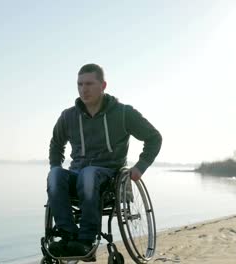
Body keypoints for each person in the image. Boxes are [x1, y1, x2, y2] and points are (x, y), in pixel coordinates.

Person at [47, 63, 162, 257]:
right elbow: (56, 145)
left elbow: (154, 138)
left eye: (89, 84)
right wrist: (55, 167)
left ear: (103, 85)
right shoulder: (68, 116)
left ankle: (87, 239)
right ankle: (68, 235)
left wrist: (140, 167)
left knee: (89, 173)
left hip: (109, 177)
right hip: (77, 175)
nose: (84, 89)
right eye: (80, 84)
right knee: (55, 174)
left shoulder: (123, 113)